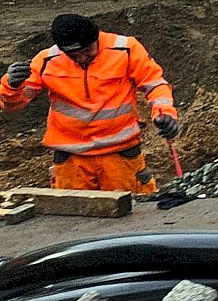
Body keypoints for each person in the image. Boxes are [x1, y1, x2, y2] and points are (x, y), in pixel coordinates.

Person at [0, 14, 179, 194]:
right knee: (72, 219)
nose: (82, 58)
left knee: (135, 215)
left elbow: (155, 84)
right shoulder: (47, 61)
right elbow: (14, 104)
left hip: (120, 155)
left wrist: (164, 112)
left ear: (97, 38)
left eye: (87, 51)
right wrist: (11, 85)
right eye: (73, 55)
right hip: (71, 161)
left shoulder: (126, 49)